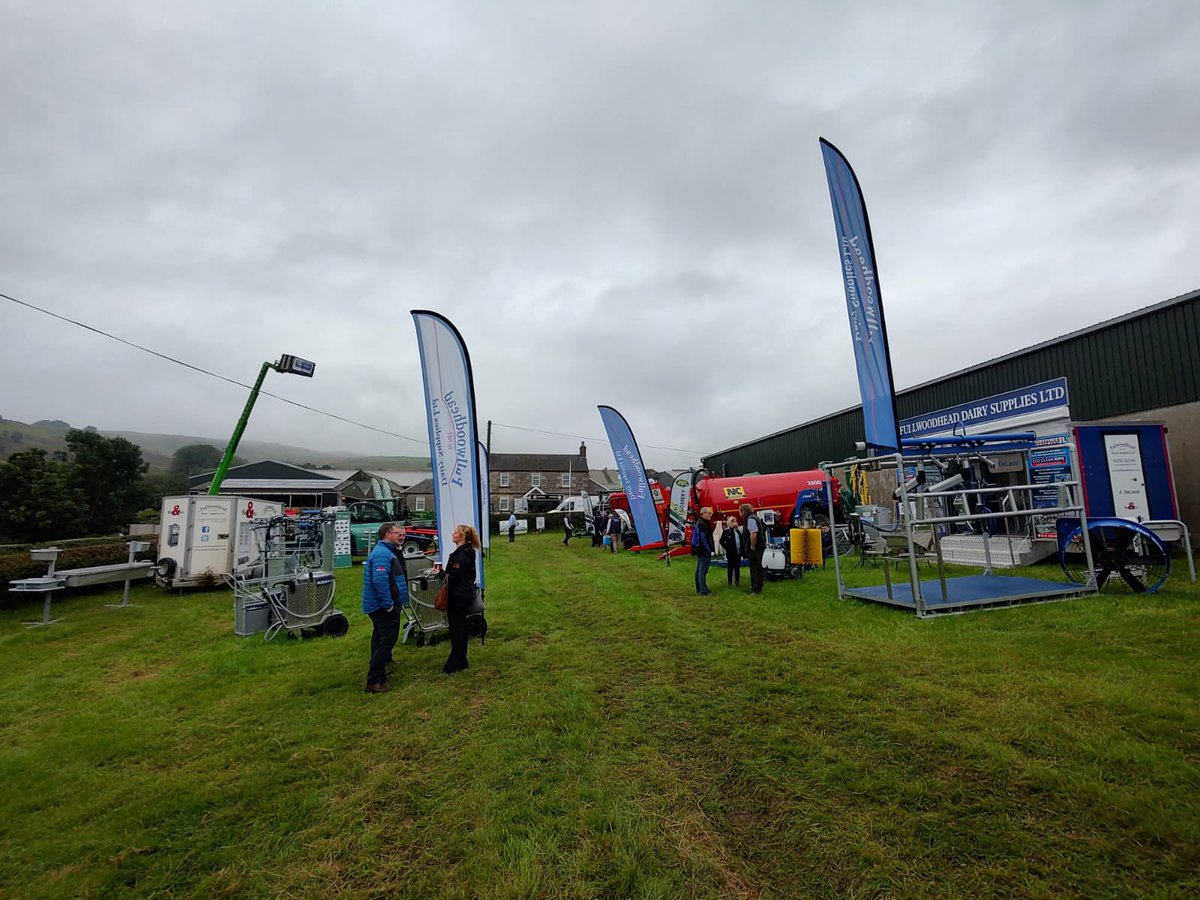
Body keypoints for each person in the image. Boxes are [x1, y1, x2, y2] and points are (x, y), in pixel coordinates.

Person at [361, 522, 408, 694]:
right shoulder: (382, 554)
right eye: (398, 534)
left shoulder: (388, 551)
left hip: (381, 605)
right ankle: (373, 681)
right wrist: (388, 604)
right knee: (387, 640)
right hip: (383, 606)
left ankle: (380, 670)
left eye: (403, 534)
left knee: (379, 638)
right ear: (388, 534)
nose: (402, 537)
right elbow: (380, 582)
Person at [433, 523, 481, 675]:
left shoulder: (461, 555)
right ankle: (461, 660)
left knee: (457, 629)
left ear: (463, 536)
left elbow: (453, 577)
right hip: (463, 594)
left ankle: (453, 663)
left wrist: (439, 573)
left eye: (455, 532)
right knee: (460, 628)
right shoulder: (467, 552)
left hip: (458, 596)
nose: (452, 534)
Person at [740, 502, 766, 594]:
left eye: (740, 512)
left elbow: (753, 534)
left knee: (754, 568)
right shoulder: (754, 517)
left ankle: (755, 589)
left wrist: (752, 547)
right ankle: (758, 587)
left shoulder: (750, 519)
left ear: (743, 512)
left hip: (755, 547)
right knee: (758, 567)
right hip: (760, 546)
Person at [692, 506, 714, 595]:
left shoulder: (701, 522)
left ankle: (699, 588)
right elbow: (703, 538)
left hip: (699, 549)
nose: (710, 515)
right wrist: (709, 550)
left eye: (710, 513)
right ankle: (703, 590)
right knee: (702, 571)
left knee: (699, 569)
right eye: (708, 513)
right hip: (703, 549)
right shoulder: (702, 524)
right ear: (703, 514)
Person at [719, 515, 742, 587]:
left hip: (738, 552)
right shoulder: (726, 532)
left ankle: (737, 581)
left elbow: (741, 540)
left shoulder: (738, 531)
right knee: (730, 567)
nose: (735, 523)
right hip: (730, 553)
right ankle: (730, 582)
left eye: (736, 522)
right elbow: (721, 541)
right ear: (730, 523)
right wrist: (727, 548)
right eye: (733, 522)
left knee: (737, 567)